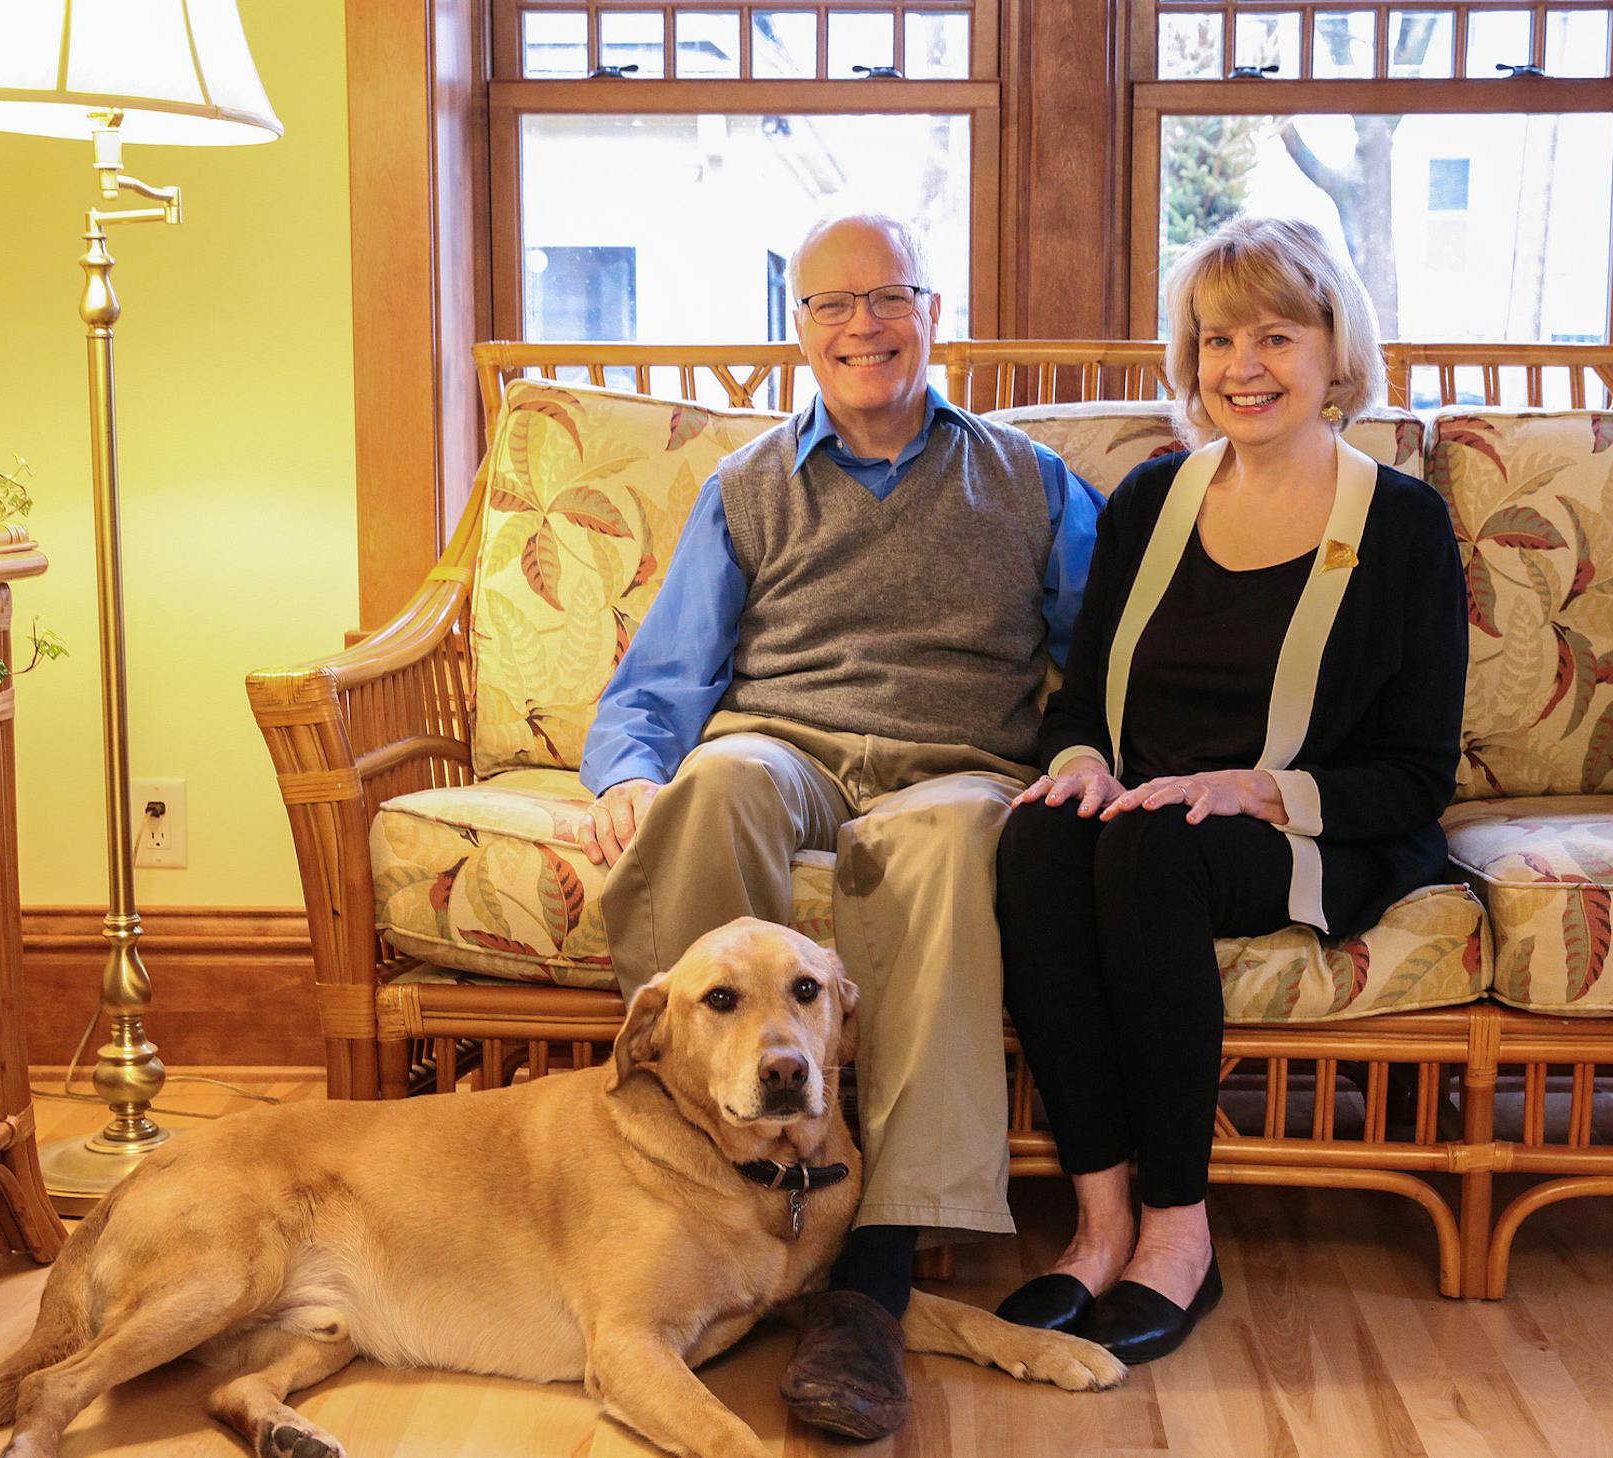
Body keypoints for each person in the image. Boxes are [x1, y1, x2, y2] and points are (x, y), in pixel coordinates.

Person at [575, 211, 1102, 1440]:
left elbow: (1098, 661)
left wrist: (1083, 748)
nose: (863, 326)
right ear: (797, 331)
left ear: (934, 315)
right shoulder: (748, 486)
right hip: (790, 744)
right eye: (832, 306)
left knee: (958, 840)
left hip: (955, 760)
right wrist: (626, 771)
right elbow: (667, 675)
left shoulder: (1028, 480)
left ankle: (870, 1274)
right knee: (717, 782)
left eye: (889, 299)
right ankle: (690, 1172)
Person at [991, 216, 1467, 1363]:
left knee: (1150, 851)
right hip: (1148, 818)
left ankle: (1178, 1234)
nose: (1241, 367)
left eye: (1275, 336)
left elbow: (1415, 775)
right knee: (1043, 843)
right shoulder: (1153, 502)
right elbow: (1077, 713)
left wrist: (1257, 791)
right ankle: (1098, 1226)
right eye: (1216, 340)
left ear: (1333, 348)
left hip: (1307, 832)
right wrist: (1084, 768)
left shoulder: (1402, 524)